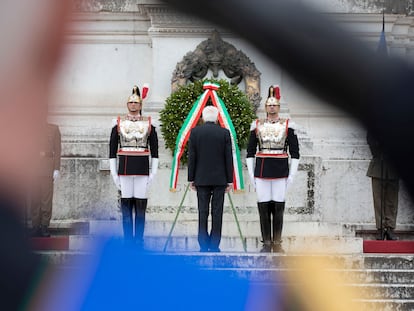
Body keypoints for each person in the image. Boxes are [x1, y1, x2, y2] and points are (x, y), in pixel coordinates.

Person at [246, 85, 300, 252]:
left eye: (274, 105)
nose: (271, 107)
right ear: (265, 107)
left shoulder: (288, 126)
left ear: (279, 107)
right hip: (262, 169)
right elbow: (250, 152)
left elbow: (295, 153)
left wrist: (292, 175)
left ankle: (277, 242)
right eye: (269, 105)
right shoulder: (256, 125)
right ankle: (266, 242)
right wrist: (250, 174)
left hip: (280, 169)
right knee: (263, 205)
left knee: (278, 205)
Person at [109, 85, 159, 245]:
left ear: (140, 105)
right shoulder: (118, 123)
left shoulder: (149, 123)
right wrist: (113, 173)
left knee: (140, 205)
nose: (133, 105)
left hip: (142, 168)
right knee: (126, 205)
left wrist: (154, 172)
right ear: (127, 104)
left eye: (136, 103)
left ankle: (138, 239)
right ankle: (128, 240)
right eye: (130, 102)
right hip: (124, 168)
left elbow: (155, 151)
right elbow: (112, 150)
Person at [188, 106, 233, 252]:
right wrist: (230, 180)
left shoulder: (195, 132)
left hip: (201, 178)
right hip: (220, 179)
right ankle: (214, 245)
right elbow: (228, 157)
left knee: (203, 211)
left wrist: (191, 178)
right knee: (217, 212)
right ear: (217, 117)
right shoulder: (224, 133)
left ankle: (203, 243)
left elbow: (192, 157)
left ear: (203, 117)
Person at [366, 132, 399, 240]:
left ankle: (390, 229)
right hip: (378, 164)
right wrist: (377, 150)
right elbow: (370, 137)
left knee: (392, 201)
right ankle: (380, 229)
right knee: (378, 200)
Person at [31, 123, 61, 237]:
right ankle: (35, 226)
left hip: (47, 167)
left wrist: (56, 168)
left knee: (46, 199)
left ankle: (44, 226)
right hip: (33, 167)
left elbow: (57, 150)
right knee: (34, 199)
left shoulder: (53, 129)